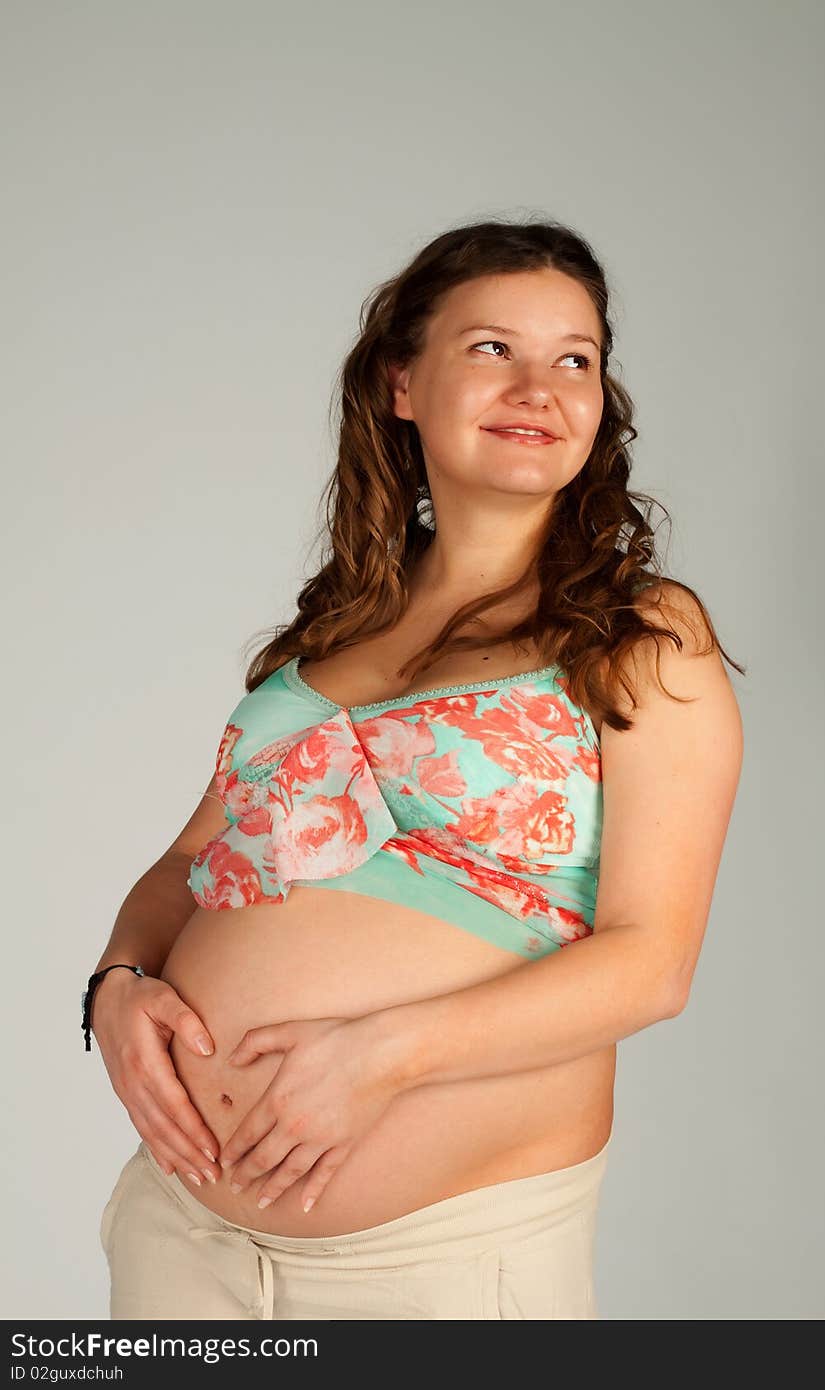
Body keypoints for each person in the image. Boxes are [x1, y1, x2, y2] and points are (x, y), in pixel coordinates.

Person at [86, 216, 744, 1321]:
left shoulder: (641, 635)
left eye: (572, 359)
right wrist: (114, 988)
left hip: (445, 1262)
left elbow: (650, 965)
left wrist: (381, 1057)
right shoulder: (329, 638)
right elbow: (190, 863)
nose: (538, 385)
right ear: (401, 382)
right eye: (492, 348)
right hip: (180, 1241)